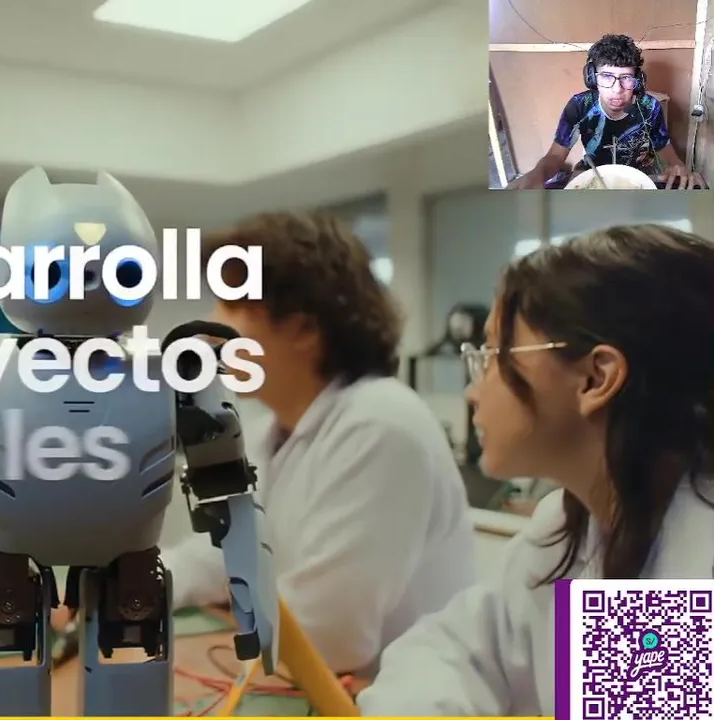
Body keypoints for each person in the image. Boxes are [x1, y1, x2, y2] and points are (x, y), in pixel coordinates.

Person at [358, 224, 714, 716]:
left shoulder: (690, 556)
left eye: (492, 356)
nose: (473, 391)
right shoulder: (571, 522)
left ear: (595, 378)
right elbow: (450, 649)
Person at [158, 211, 477, 678]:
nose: (209, 326)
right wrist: (119, 591)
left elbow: (328, 636)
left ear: (303, 329)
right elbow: (218, 556)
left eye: (231, 305)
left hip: (394, 697)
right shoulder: (270, 431)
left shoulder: (380, 425)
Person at [510, 34, 705, 190]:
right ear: (592, 78)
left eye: (626, 78)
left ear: (638, 80)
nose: (617, 89)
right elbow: (555, 156)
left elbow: (664, 148)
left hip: (642, 175)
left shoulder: (649, 106)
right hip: (592, 174)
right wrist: (538, 173)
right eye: (606, 76)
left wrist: (677, 165)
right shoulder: (579, 105)